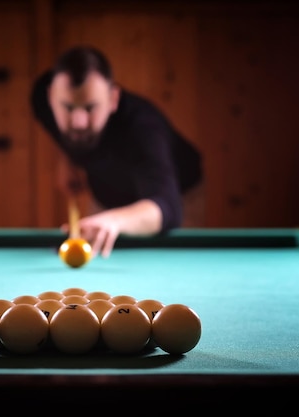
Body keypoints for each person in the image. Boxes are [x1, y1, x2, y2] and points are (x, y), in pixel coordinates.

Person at [31, 45, 203, 259]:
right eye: (67, 107)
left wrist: (115, 220)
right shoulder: (41, 100)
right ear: (50, 97)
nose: (78, 122)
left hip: (172, 195)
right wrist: (67, 159)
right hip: (107, 193)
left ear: (113, 99)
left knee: (160, 267)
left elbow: (168, 207)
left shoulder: (143, 128)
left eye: (90, 108)